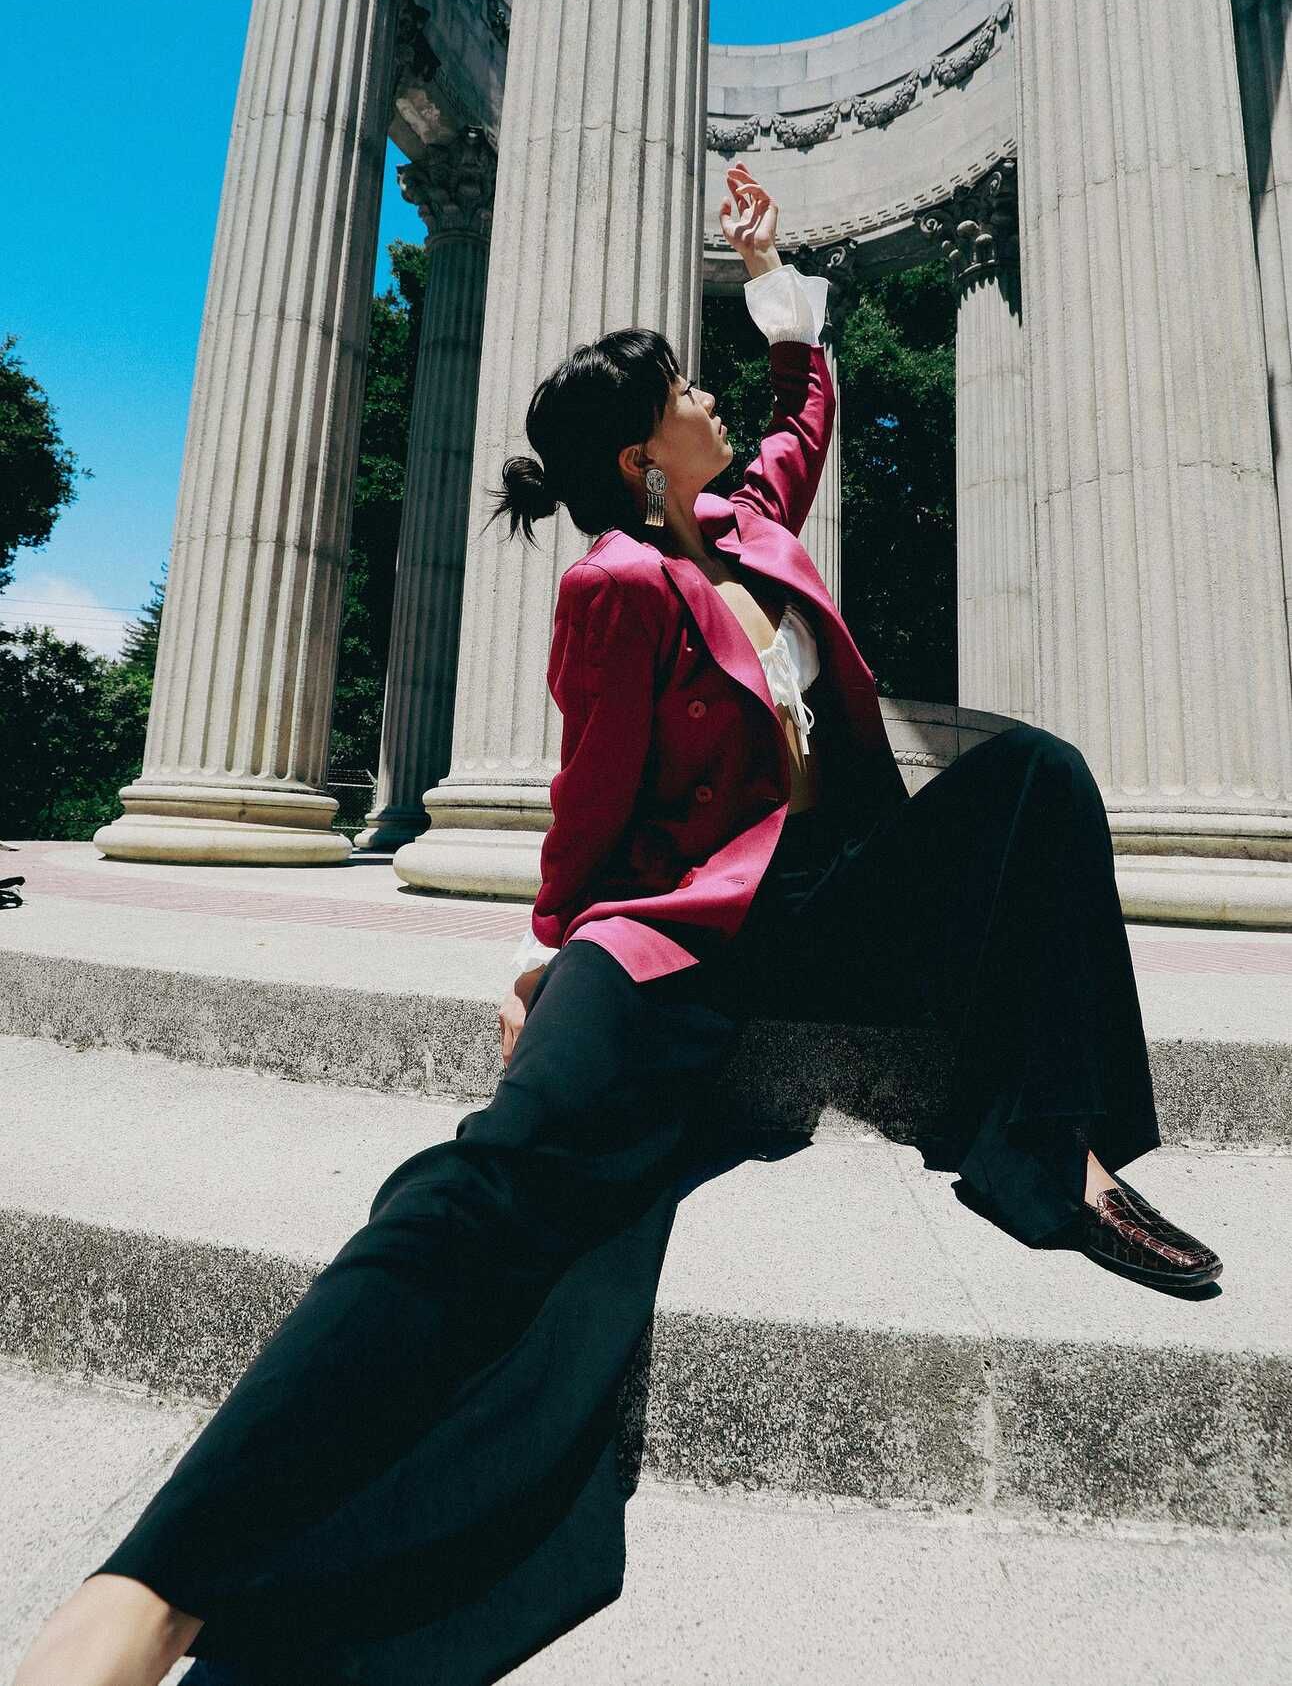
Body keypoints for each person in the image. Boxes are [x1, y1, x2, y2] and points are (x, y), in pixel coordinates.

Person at [14, 163, 1222, 1686]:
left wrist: (775, 276)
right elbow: (590, 814)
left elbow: (801, 417)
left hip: (819, 894)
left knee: (1037, 780)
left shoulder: (745, 522)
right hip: (666, 938)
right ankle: (150, 1587)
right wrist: (550, 950)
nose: (718, 398)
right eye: (689, 389)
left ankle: (1061, 1154)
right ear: (647, 456)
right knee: (491, 1185)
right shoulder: (618, 583)